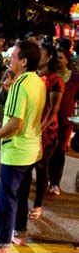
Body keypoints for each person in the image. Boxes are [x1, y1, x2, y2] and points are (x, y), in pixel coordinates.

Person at [0, 40, 46, 253]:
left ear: (24, 61)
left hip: (17, 150)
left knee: (7, 198)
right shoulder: (38, 82)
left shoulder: (20, 84)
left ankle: (0, 244)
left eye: (14, 56)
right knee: (20, 194)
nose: (10, 59)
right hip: (31, 148)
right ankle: (20, 233)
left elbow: (16, 122)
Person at [28, 42, 64, 219]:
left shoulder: (55, 80)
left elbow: (53, 110)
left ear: (49, 57)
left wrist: (40, 129)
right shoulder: (31, 76)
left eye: (40, 53)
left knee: (41, 168)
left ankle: (38, 205)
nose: (37, 55)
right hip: (30, 128)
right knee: (26, 167)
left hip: (46, 131)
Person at [49, 47, 79, 195]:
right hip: (49, 118)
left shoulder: (75, 77)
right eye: (57, 57)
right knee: (48, 148)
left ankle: (55, 183)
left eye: (61, 57)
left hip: (66, 120)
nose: (59, 60)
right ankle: (47, 178)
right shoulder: (51, 76)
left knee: (60, 150)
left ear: (67, 59)